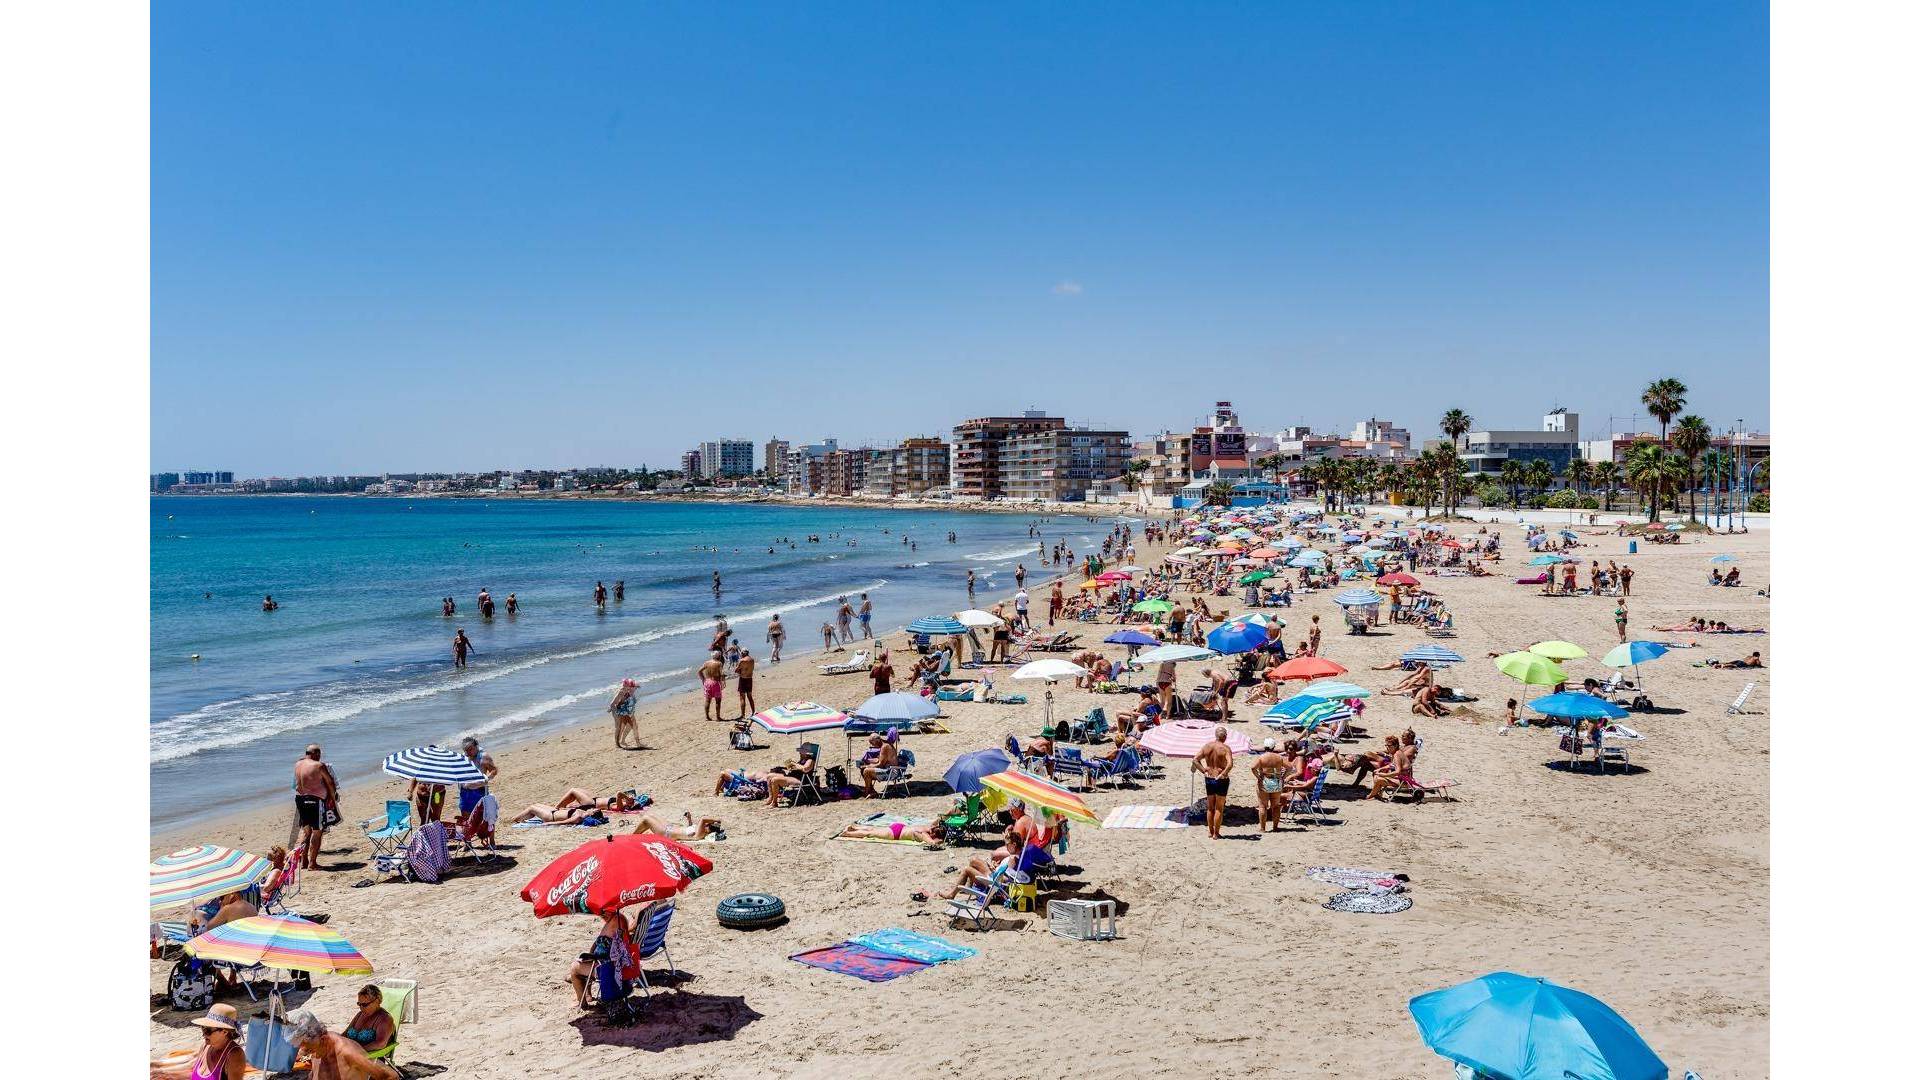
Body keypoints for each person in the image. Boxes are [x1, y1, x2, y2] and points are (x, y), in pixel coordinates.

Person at [155, 1003, 247, 1080]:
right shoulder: (206, 1046)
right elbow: (194, 1076)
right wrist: (165, 1075)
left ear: (224, 1032)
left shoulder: (234, 1055)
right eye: (203, 1029)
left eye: (208, 1031)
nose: (204, 1034)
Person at [293, 743, 337, 871]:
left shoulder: (298, 764)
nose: (320, 757)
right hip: (314, 801)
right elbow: (329, 782)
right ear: (315, 754)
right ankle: (312, 863)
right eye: (319, 754)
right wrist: (332, 798)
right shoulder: (319, 765)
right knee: (317, 832)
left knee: (306, 831)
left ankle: (304, 861)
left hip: (300, 799)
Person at [1192, 725, 1234, 839]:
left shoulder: (1207, 746)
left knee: (1210, 807)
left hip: (1209, 778)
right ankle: (1216, 833)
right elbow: (1230, 764)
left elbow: (1195, 759)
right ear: (1225, 737)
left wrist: (1203, 771)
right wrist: (1223, 774)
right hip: (1221, 779)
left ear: (1216, 736)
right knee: (1219, 808)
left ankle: (1210, 832)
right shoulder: (1225, 748)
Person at [341, 984, 397, 1063]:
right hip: (350, 1054)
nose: (361, 1008)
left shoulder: (385, 1019)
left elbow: (380, 1043)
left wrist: (357, 1051)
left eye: (364, 1004)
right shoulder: (360, 1014)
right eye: (359, 1004)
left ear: (377, 1001)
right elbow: (345, 1033)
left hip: (369, 1060)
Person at [1251, 738, 1288, 833]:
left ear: (1265, 747)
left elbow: (1253, 767)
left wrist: (1258, 777)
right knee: (1275, 806)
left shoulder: (1261, 757)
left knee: (1263, 806)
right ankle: (1275, 827)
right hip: (1276, 781)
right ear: (1273, 747)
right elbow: (1290, 767)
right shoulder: (1279, 757)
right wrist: (1283, 777)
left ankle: (1263, 828)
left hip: (1265, 782)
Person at [457, 737, 497, 820]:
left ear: (476, 746)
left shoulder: (483, 757)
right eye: (466, 750)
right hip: (464, 791)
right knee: (465, 816)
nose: (468, 752)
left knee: (480, 815)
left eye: (470, 749)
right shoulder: (464, 757)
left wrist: (486, 780)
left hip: (478, 791)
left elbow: (494, 770)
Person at [631, 810, 725, 840]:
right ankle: (633, 837)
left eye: (708, 824)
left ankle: (631, 838)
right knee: (651, 815)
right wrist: (689, 819)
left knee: (646, 819)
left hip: (666, 833)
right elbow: (689, 829)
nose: (706, 824)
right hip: (669, 827)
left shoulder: (700, 835)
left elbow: (703, 819)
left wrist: (716, 819)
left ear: (709, 828)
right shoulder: (700, 831)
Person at [840, 820, 948, 846]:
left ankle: (853, 828)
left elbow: (937, 820)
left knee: (872, 830)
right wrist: (941, 840)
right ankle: (847, 834)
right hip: (896, 834)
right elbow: (932, 843)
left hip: (899, 826)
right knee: (869, 834)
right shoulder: (924, 834)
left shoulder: (928, 827)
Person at [609, 679, 639, 748]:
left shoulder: (628, 692)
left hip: (624, 711)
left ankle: (622, 741)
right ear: (626, 686)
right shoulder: (622, 692)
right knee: (618, 727)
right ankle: (617, 743)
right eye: (629, 685)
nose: (631, 687)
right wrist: (616, 714)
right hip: (617, 712)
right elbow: (612, 704)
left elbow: (625, 703)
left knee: (629, 726)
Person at [699, 651, 726, 721]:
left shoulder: (706, 663)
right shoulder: (719, 663)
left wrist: (703, 679)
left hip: (707, 682)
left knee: (708, 700)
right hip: (715, 683)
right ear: (718, 656)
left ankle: (707, 717)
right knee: (718, 700)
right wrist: (723, 682)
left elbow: (699, 671)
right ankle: (718, 717)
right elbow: (721, 674)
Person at [734, 648, 757, 718]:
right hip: (750, 678)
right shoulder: (752, 660)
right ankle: (753, 711)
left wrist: (739, 671)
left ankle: (743, 714)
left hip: (743, 679)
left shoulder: (742, 660)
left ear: (743, 653)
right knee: (750, 696)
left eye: (741, 653)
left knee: (742, 697)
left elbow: (736, 670)